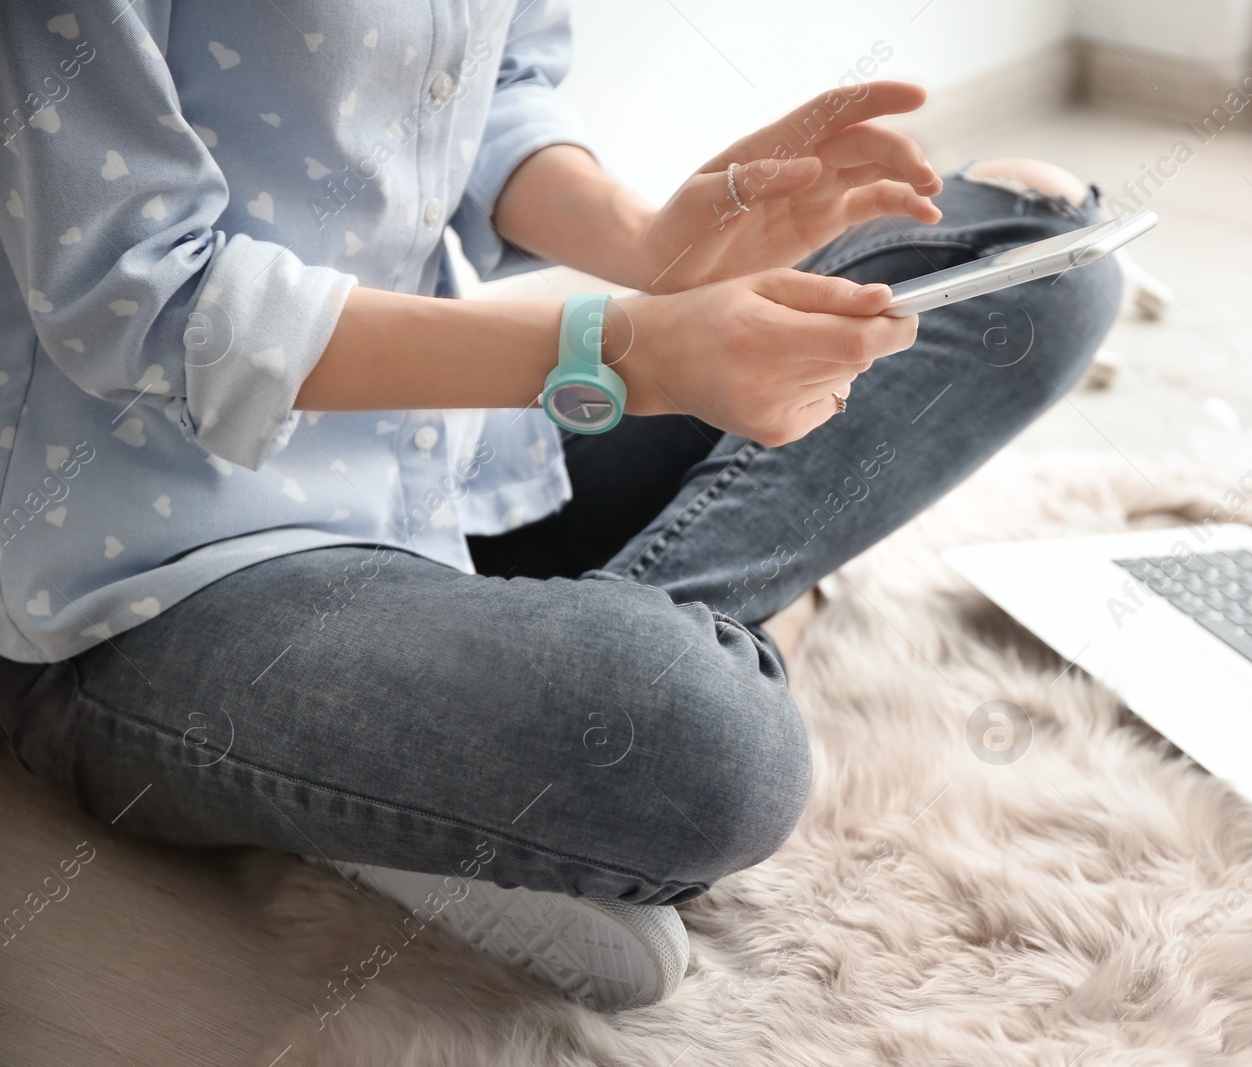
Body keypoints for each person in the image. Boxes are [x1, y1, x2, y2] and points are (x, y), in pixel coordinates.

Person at [0, 2, 1120, 1010]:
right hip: (152, 576)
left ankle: (484, 743)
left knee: (1042, 253)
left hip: (445, 452)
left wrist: (656, 243)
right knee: (711, 744)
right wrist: (617, 350)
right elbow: (136, 291)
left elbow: (488, 95)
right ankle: (546, 715)